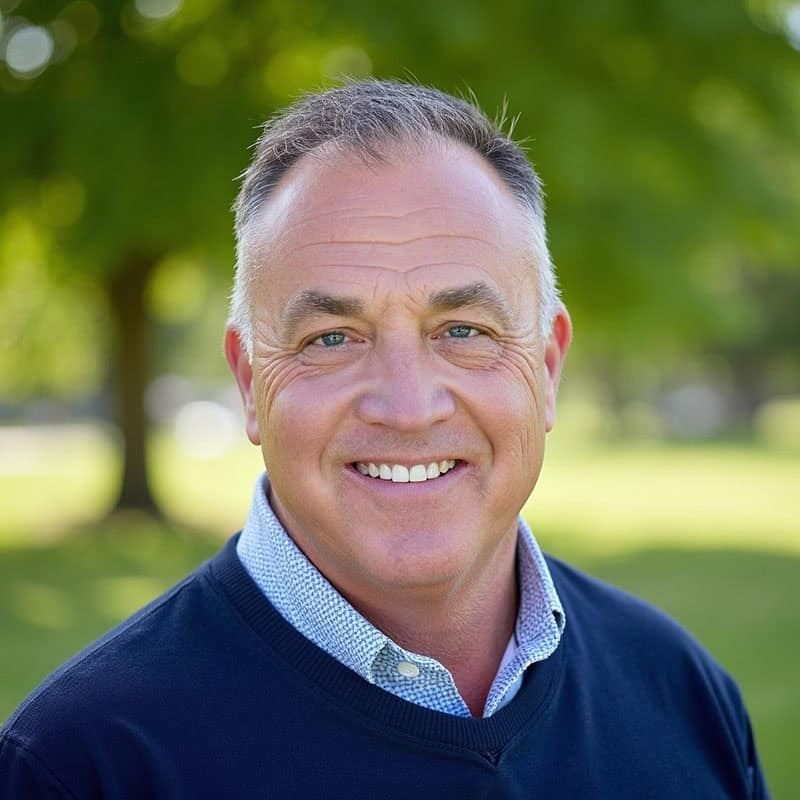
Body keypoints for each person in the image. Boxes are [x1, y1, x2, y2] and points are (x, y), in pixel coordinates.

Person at [0, 80, 769, 798]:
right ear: (249, 382)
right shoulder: (80, 765)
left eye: (463, 330)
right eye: (332, 338)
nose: (407, 407)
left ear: (546, 366)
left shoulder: (683, 692)